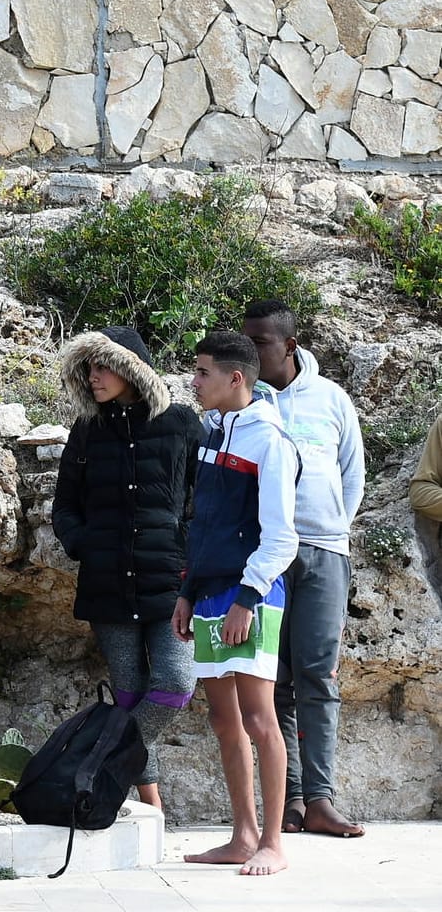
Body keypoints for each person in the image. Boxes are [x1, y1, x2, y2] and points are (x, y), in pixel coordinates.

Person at [52, 327, 200, 810]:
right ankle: (149, 806)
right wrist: (85, 545)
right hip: (108, 580)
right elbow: (66, 506)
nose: (92, 377)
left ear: (130, 368)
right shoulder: (87, 430)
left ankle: (107, 755)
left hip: (170, 581)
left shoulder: (181, 423)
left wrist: (191, 556)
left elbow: (205, 497)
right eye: (87, 368)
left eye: (102, 366)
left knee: (176, 682)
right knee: (130, 691)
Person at [240, 300, 366, 838]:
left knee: (319, 675)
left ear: (289, 346)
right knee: (275, 680)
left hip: (324, 554)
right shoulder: (243, 405)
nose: (251, 353)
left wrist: (330, 528)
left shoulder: (332, 399)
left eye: (261, 343)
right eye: (246, 343)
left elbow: (352, 475)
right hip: (266, 557)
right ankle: (289, 800)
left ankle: (321, 797)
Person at [174, 331, 298, 876]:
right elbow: (200, 524)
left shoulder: (270, 440)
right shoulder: (212, 432)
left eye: (202, 373)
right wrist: (186, 591)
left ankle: (273, 843)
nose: (194, 382)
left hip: (253, 592)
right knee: (224, 720)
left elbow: (282, 537)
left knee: (258, 717)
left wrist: (247, 599)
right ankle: (242, 835)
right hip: (207, 591)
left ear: (235, 378)